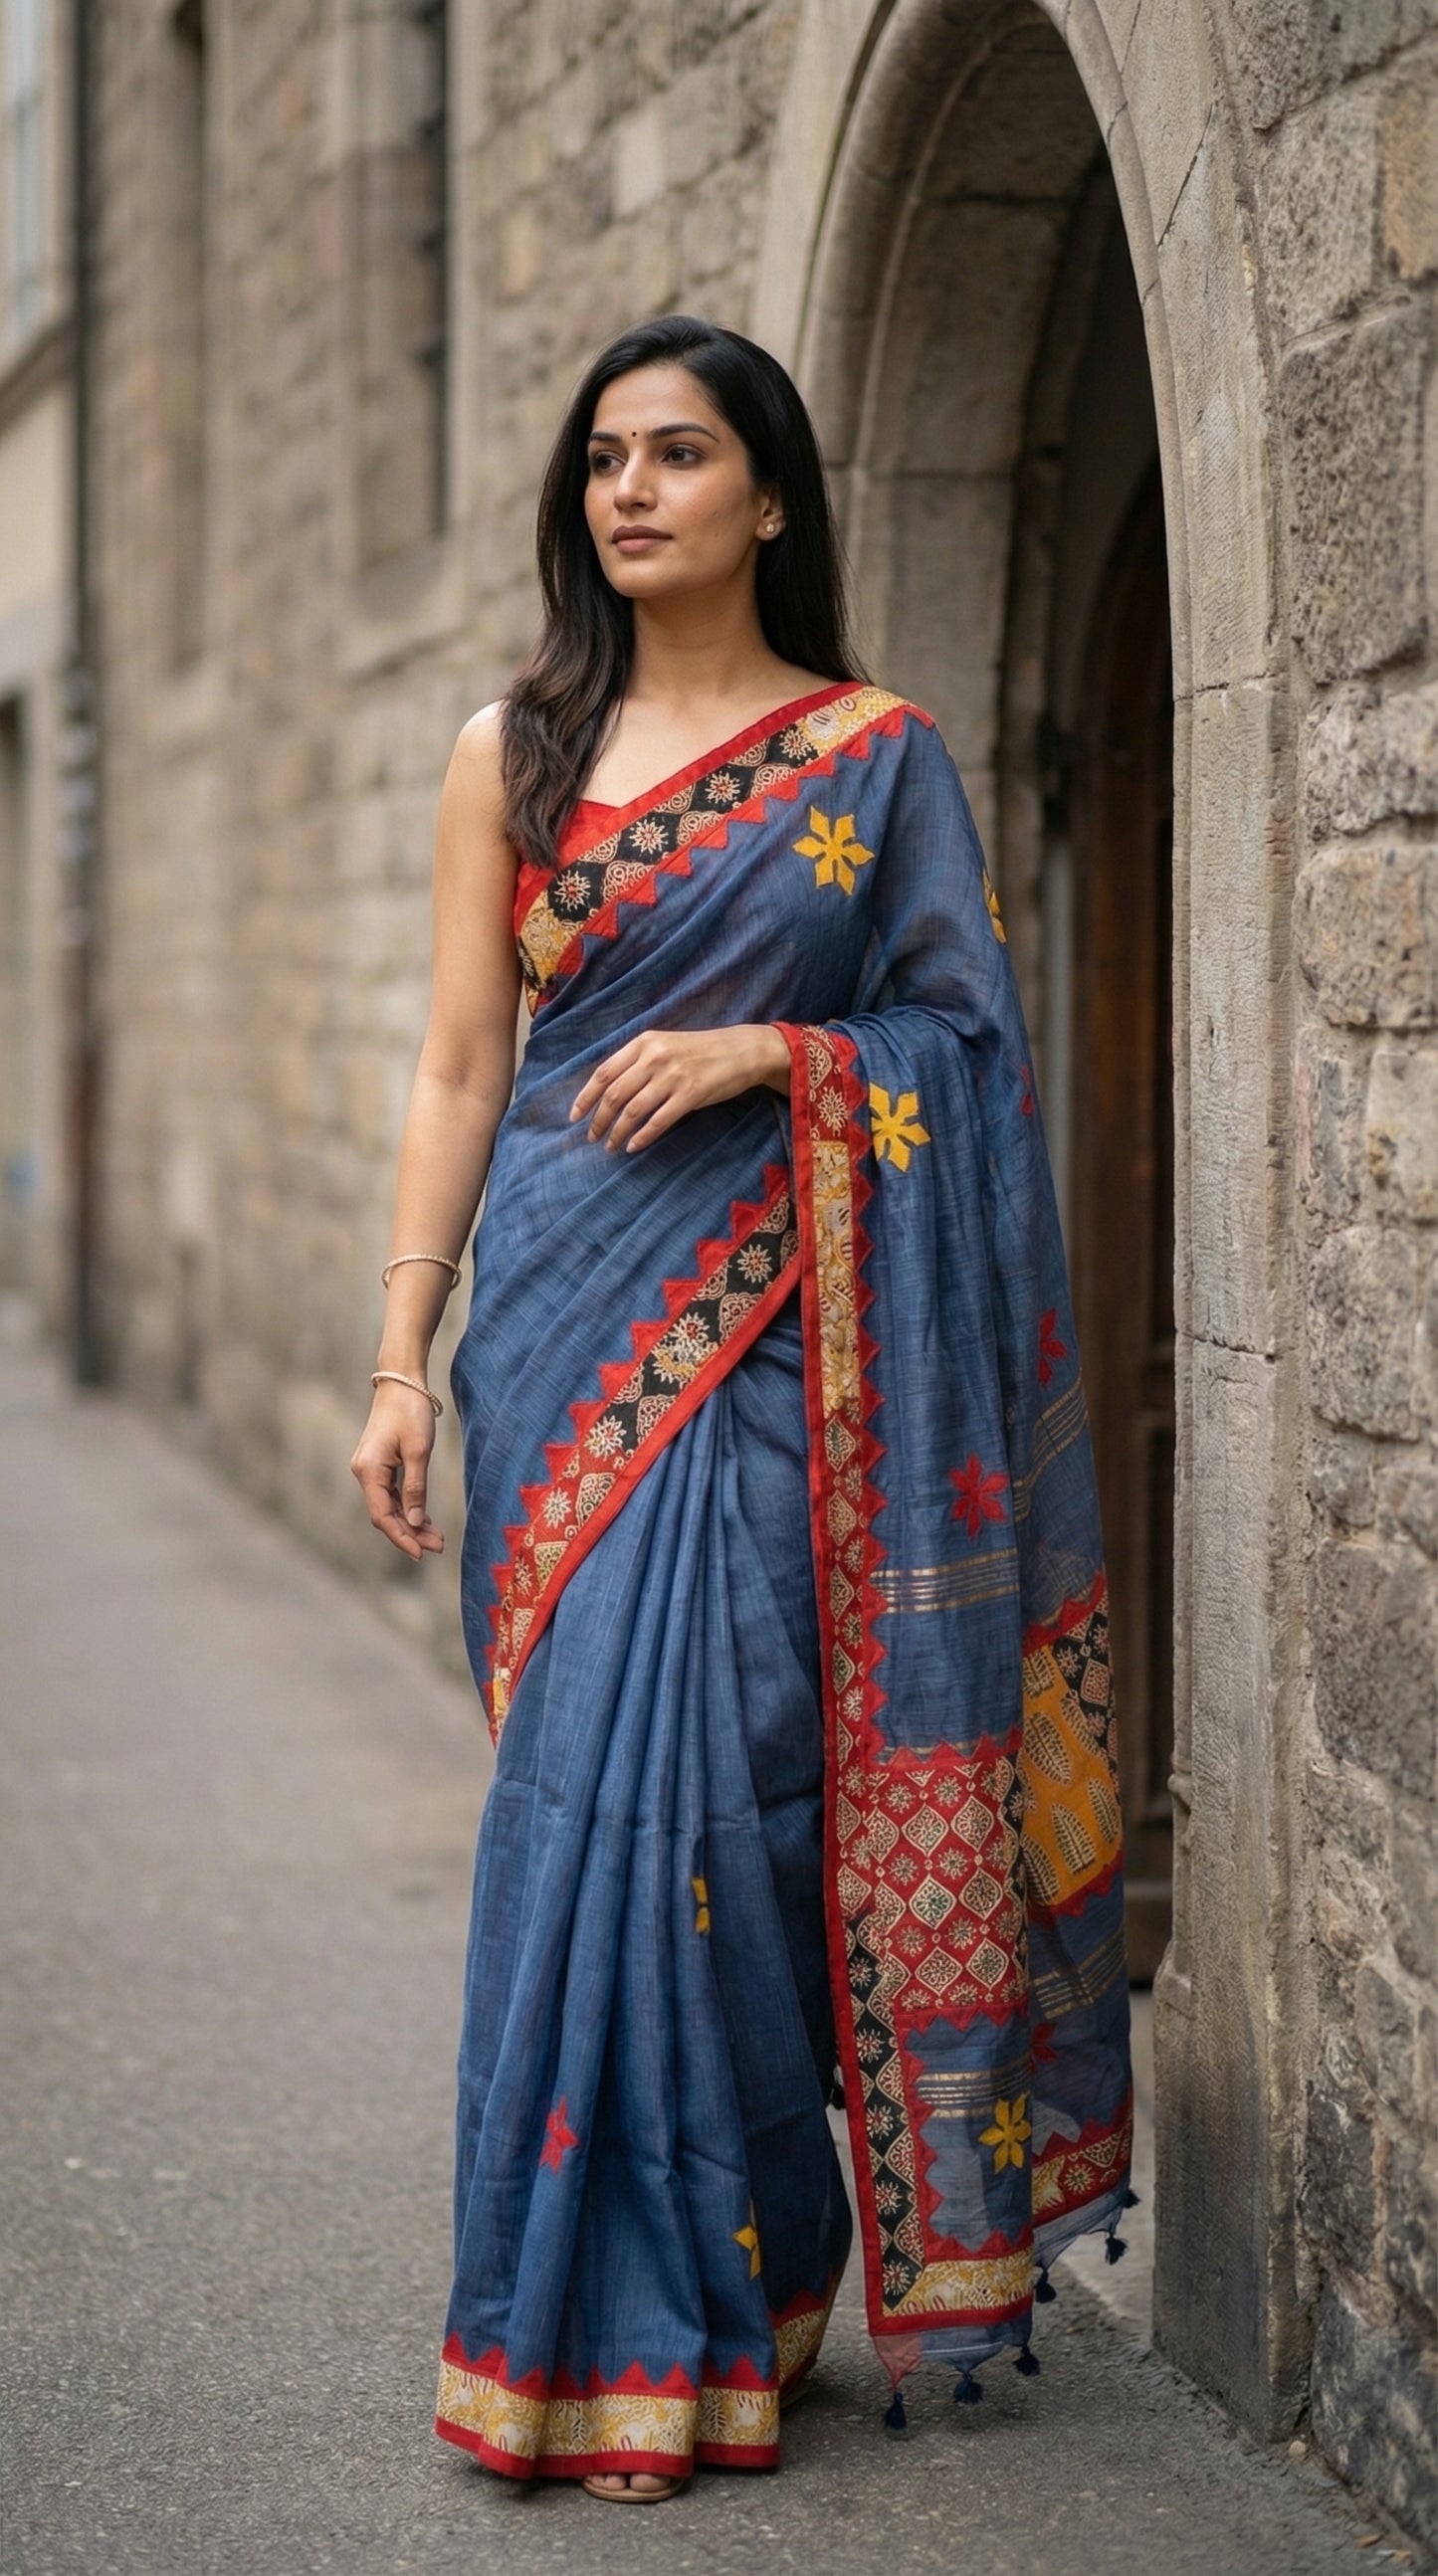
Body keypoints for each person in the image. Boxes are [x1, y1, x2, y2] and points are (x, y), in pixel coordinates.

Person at [350, 314, 1132, 2503]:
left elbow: (966, 1053)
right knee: (587, 1811)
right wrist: (400, 1357)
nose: (631, 489)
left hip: (797, 1353)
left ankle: (741, 2291)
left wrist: (776, 1059)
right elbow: (458, 1066)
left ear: (770, 495)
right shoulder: (511, 754)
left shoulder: (877, 762)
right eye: (605, 456)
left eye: (680, 453)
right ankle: (593, 2329)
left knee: (745, 1819)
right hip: (564, 1347)